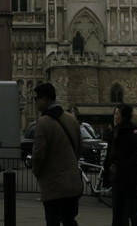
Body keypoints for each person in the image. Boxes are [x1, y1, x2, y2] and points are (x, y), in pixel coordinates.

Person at [31, 82, 84, 226]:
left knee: (53, 221)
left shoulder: (43, 122)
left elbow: (38, 155)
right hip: (73, 184)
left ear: (45, 99)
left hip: (54, 187)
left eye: (36, 99)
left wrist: (37, 172)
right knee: (69, 220)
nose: (34, 102)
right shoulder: (71, 119)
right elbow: (80, 148)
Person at [104, 103, 137, 226]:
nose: (115, 116)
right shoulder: (116, 131)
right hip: (117, 177)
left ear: (123, 116)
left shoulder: (130, 131)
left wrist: (128, 163)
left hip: (128, 179)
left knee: (130, 210)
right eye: (115, 113)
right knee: (118, 211)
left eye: (117, 114)